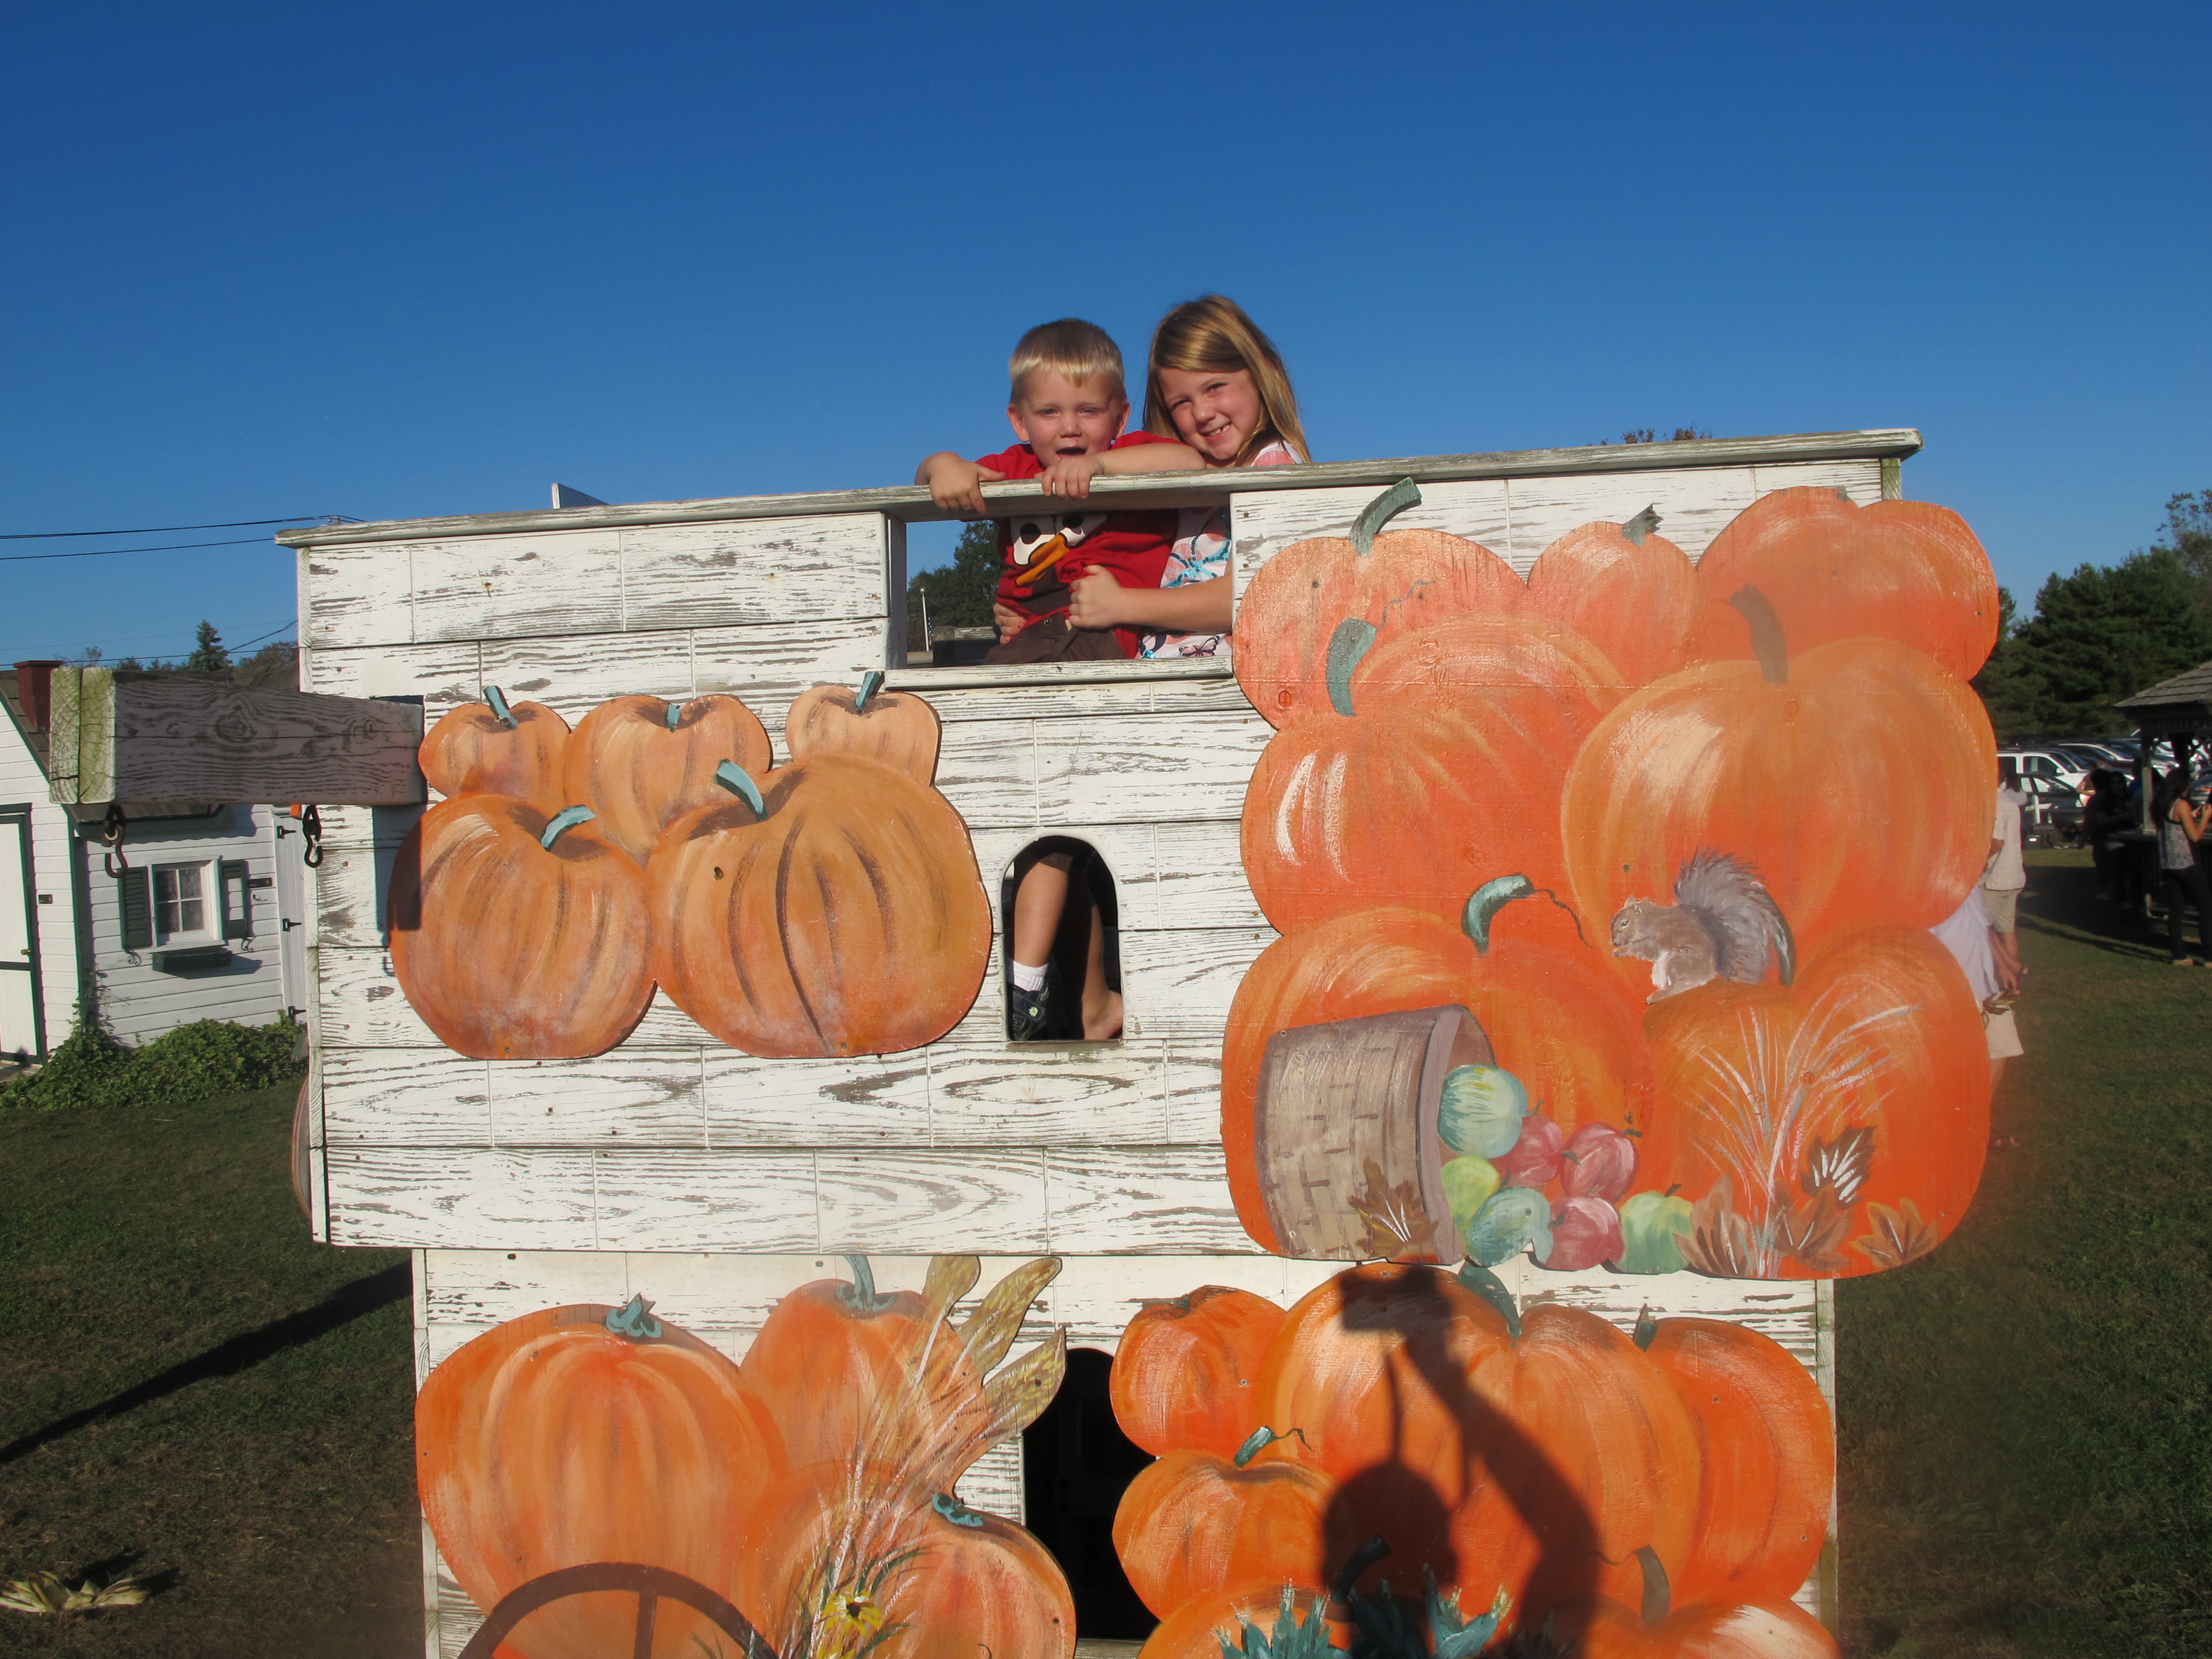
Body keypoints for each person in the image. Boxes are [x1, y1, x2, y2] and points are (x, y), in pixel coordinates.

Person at [917, 318, 1203, 666]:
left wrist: (1100, 465)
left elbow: (1188, 461)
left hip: (1099, 630)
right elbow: (930, 485)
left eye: (1089, 411)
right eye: (1049, 412)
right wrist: (942, 463)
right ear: (1020, 421)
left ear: (1119, 418)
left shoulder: (1129, 457)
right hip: (1025, 634)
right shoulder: (1014, 468)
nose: (1070, 427)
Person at [2152, 761, 2211, 964]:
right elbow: (2194, 836)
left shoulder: (2163, 805)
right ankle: (2209, 956)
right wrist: (2205, 818)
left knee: (2176, 910)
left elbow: (2176, 824)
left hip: (2169, 863)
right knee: (2206, 908)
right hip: (2187, 862)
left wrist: (2193, 816)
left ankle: (2178, 955)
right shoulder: (2182, 804)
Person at [1984, 777, 2027, 991]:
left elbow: (1997, 842)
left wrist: (1977, 862)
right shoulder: (2010, 802)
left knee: (1982, 928)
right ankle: (2015, 978)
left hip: (1995, 878)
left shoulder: (1995, 804)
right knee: (2007, 929)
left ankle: (2010, 972)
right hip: (2014, 874)